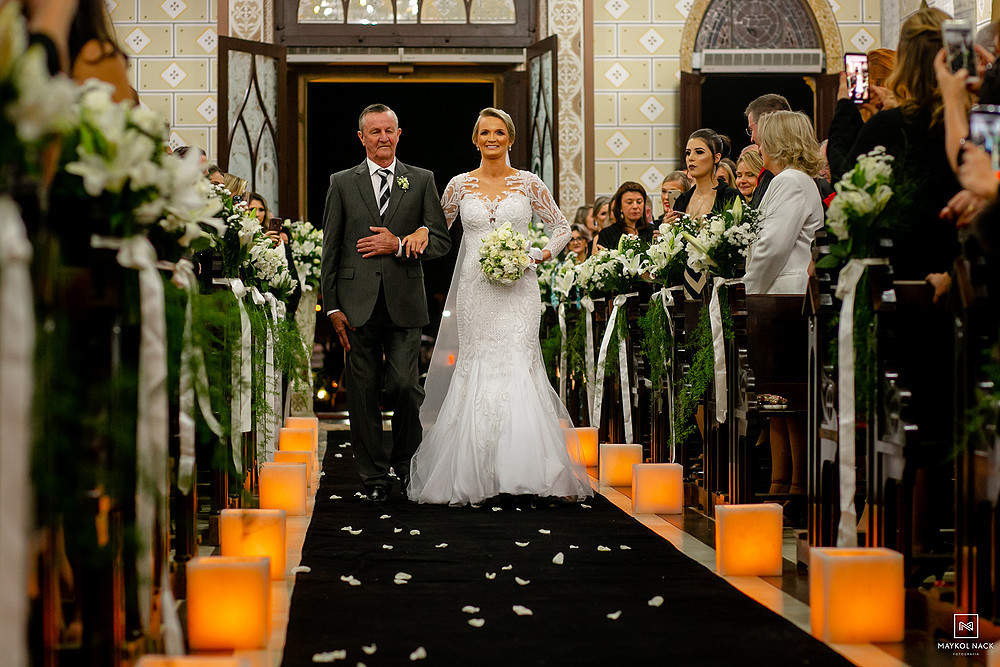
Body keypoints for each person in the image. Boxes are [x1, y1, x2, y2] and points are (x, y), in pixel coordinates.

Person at [408, 107, 592, 506]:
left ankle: (525, 469)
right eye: (484, 133)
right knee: (479, 364)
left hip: (520, 288)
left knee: (517, 361)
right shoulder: (459, 185)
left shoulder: (528, 183)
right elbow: (438, 230)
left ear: (510, 138)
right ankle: (475, 470)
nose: (491, 138)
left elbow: (562, 227)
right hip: (476, 290)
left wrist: (540, 253)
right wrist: (421, 228)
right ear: (475, 140)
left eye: (499, 132)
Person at [320, 103, 451, 503]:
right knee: (362, 392)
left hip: (405, 301)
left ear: (399, 134)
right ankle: (374, 476)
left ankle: (406, 463)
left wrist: (399, 243)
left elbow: (442, 241)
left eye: (389, 130)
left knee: (405, 386)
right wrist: (332, 306)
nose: (383, 137)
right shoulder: (342, 182)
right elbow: (332, 247)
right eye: (374, 131)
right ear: (361, 138)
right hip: (355, 303)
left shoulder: (421, 179)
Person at [744, 111, 825, 498]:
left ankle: (796, 485)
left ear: (778, 142)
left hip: (784, 297)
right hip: (784, 294)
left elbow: (772, 246)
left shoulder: (790, 181)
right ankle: (786, 482)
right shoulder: (792, 180)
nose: (757, 146)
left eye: (763, 140)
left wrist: (749, 289)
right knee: (782, 400)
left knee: (790, 400)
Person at [667, 129, 740, 222]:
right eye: (688, 153)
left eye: (699, 152)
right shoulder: (681, 200)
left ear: (717, 157)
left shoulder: (730, 196)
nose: (691, 158)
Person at [744, 94, 791, 208]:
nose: (751, 138)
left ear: (766, 125)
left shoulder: (791, 176)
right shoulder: (769, 170)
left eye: (751, 130)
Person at [596, 181, 655, 250]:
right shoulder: (607, 234)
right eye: (629, 202)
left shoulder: (652, 231)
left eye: (639, 202)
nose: (635, 206)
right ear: (620, 207)